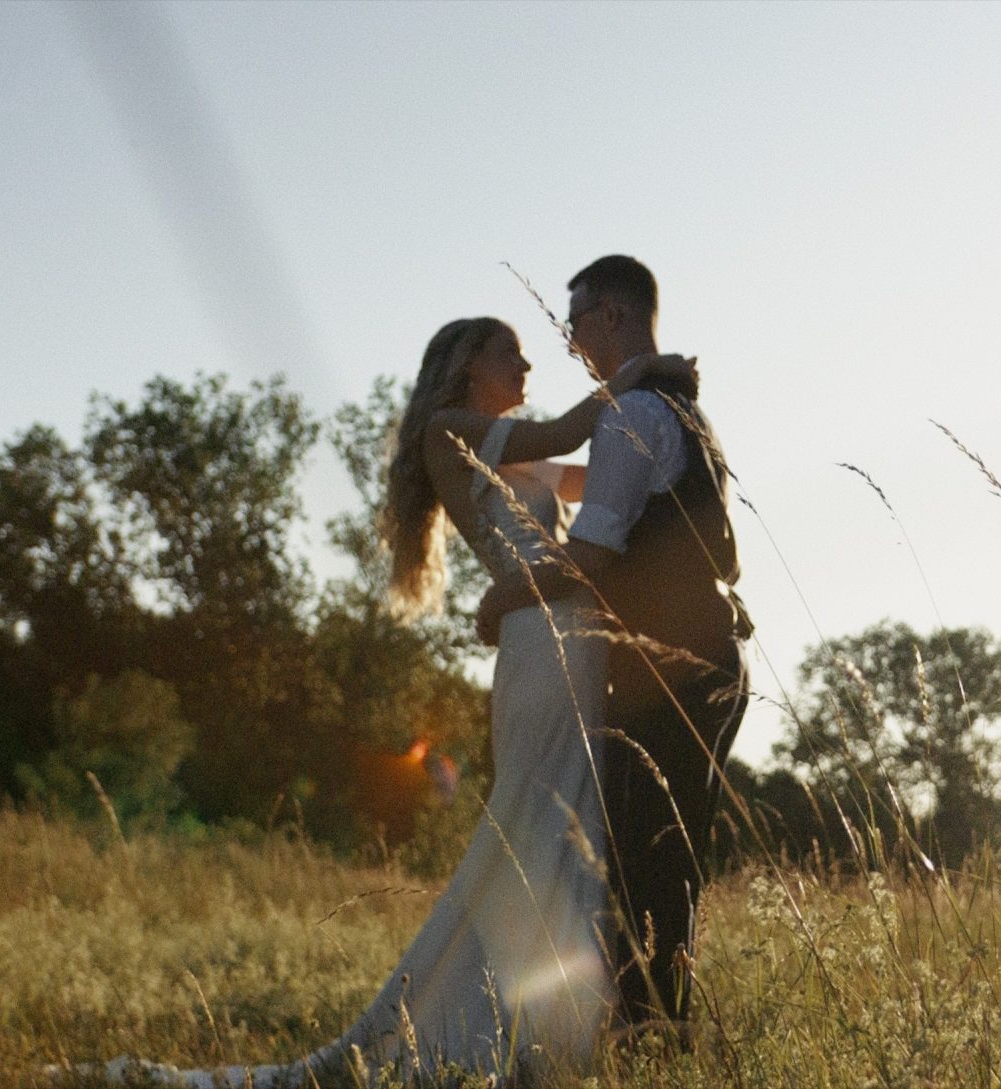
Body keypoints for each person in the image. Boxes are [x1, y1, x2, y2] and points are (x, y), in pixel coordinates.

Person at [74, 317, 692, 1087]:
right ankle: (493, 1024)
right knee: (538, 820)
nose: (528, 362)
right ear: (467, 363)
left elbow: (595, 469)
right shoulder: (449, 429)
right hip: (540, 635)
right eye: (511, 352)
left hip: (570, 629)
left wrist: (669, 442)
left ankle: (552, 1027)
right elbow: (574, 425)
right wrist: (649, 371)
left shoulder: (514, 449)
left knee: (571, 827)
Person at [473, 255, 749, 1037]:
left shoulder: (636, 414)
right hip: (706, 656)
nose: (570, 342)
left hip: (670, 666)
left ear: (615, 316)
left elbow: (591, 553)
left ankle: (647, 1031)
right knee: (666, 852)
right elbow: (586, 481)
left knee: (642, 856)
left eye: (576, 323)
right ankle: (656, 1023)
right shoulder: (672, 408)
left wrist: (505, 594)